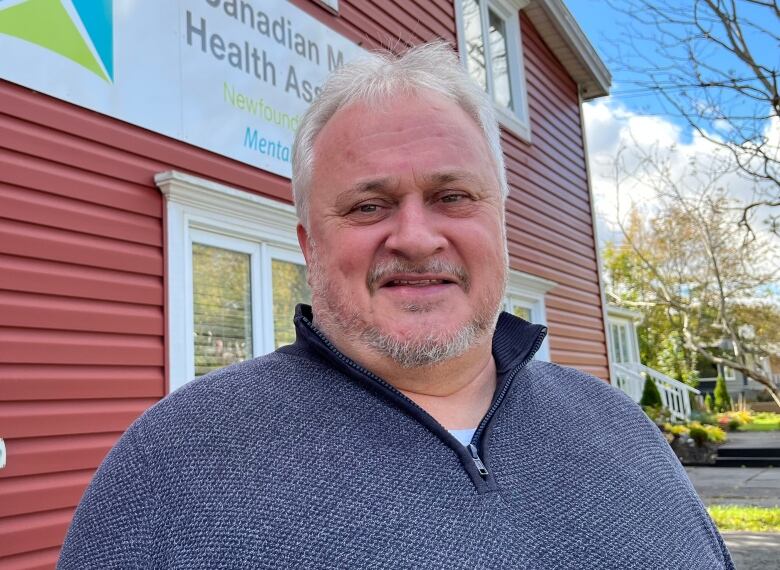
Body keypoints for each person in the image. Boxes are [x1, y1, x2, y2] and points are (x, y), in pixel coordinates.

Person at [59, 42, 734, 569]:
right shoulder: (172, 468)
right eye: (368, 205)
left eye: (452, 196)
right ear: (309, 244)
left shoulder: (623, 431)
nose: (414, 237)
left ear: (498, 223)